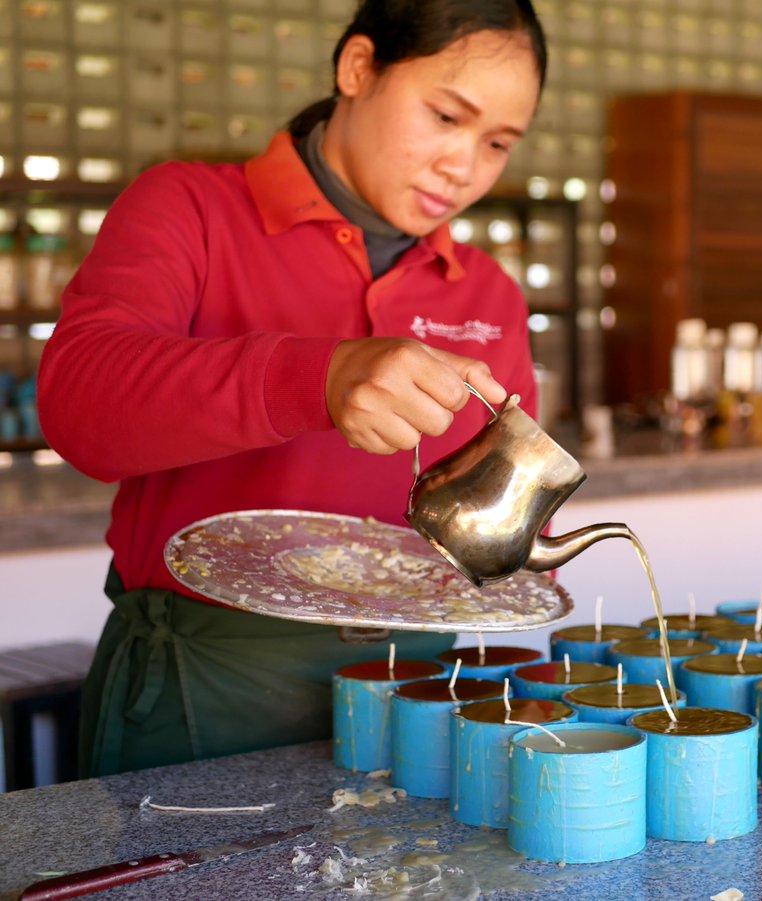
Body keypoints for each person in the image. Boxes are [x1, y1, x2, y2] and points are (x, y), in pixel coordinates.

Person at [36, 0, 548, 777]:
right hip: (208, 680)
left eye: (499, 143)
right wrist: (318, 376)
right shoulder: (191, 211)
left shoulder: (486, 293)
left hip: (419, 691)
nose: (465, 164)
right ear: (358, 69)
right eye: (446, 115)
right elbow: (79, 406)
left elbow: (495, 520)